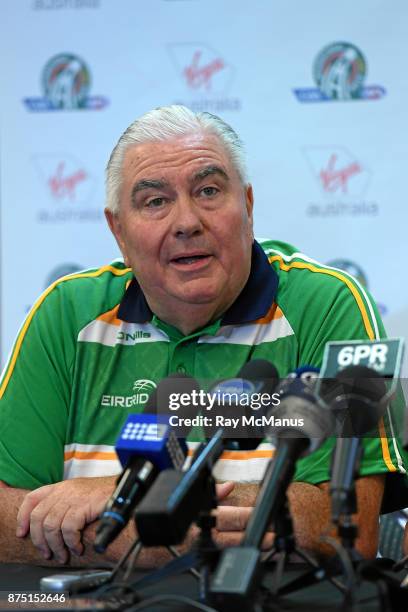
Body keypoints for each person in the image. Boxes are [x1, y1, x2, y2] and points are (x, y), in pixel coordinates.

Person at [0, 105, 404, 567]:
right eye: (155, 201)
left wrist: (121, 501)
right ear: (119, 232)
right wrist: (214, 526)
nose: (186, 221)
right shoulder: (65, 314)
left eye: (208, 191)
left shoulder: (337, 305)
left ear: (248, 206)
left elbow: (348, 524)